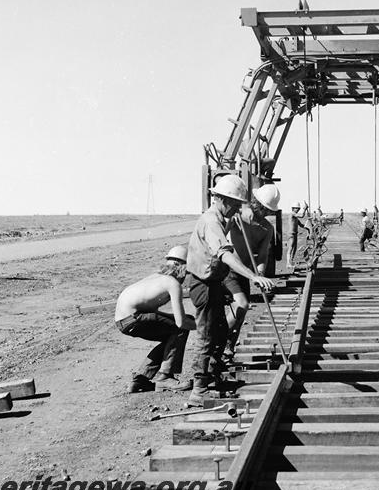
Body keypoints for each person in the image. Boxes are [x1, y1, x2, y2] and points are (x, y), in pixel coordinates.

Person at [185, 174, 276, 406]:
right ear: (223, 199)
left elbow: (260, 254)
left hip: (214, 279)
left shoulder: (224, 216)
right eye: (235, 204)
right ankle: (198, 390)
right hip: (203, 282)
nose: (237, 208)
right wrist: (253, 276)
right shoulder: (212, 221)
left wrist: (257, 275)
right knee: (206, 333)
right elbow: (224, 253)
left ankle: (212, 375)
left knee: (220, 327)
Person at [114, 246, 194, 393]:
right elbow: (181, 323)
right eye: (186, 272)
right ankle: (165, 377)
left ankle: (140, 380)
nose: (185, 277)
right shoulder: (173, 284)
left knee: (171, 336)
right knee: (181, 329)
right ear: (180, 267)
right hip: (133, 319)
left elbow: (153, 312)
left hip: (124, 320)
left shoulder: (155, 278)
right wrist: (201, 326)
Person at [222, 184, 280, 364]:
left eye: (266, 210)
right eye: (260, 207)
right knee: (243, 304)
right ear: (255, 203)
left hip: (245, 273)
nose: (262, 212)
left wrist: (260, 274)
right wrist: (231, 221)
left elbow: (262, 256)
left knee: (241, 313)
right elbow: (219, 236)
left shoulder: (266, 229)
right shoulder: (237, 215)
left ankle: (228, 348)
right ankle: (218, 340)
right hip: (227, 268)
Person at [286, 200, 309, 271]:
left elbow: (301, 225)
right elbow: (302, 215)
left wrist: (308, 227)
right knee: (290, 248)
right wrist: (304, 209)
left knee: (294, 249)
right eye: (297, 208)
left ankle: (291, 262)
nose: (298, 210)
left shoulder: (295, 218)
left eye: (298, 209)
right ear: (293, 208)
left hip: (295, 234)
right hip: (291, 234)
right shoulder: (292, 214)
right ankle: (288, 263)